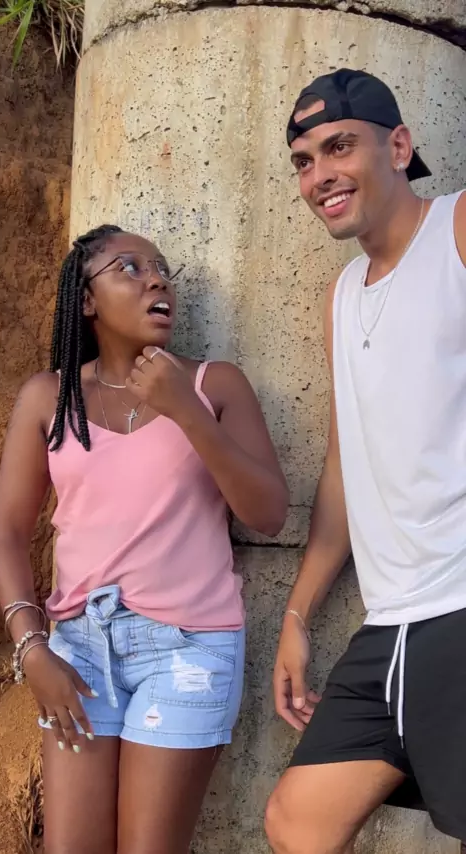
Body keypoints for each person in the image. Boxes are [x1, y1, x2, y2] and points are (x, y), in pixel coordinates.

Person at [0, 224, 289, 854]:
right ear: (86, 299)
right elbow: (9, 534)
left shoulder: (213, 386)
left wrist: (185, 410)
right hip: (77, 651)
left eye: (161, 269)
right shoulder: (49, 398)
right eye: (129, 267)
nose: (156, 280)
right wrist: (32, 649)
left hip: (187, 649)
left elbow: (268, 514)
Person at [265, 68, 466, 853]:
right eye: (304, 160)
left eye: (339, 147)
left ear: (400, 147)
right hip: (389, 625)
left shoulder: (456, 231)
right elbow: (346, 466)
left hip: (459, 604)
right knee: (298, 823)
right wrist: (296, 616)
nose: (319, 175)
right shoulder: (343, 295)